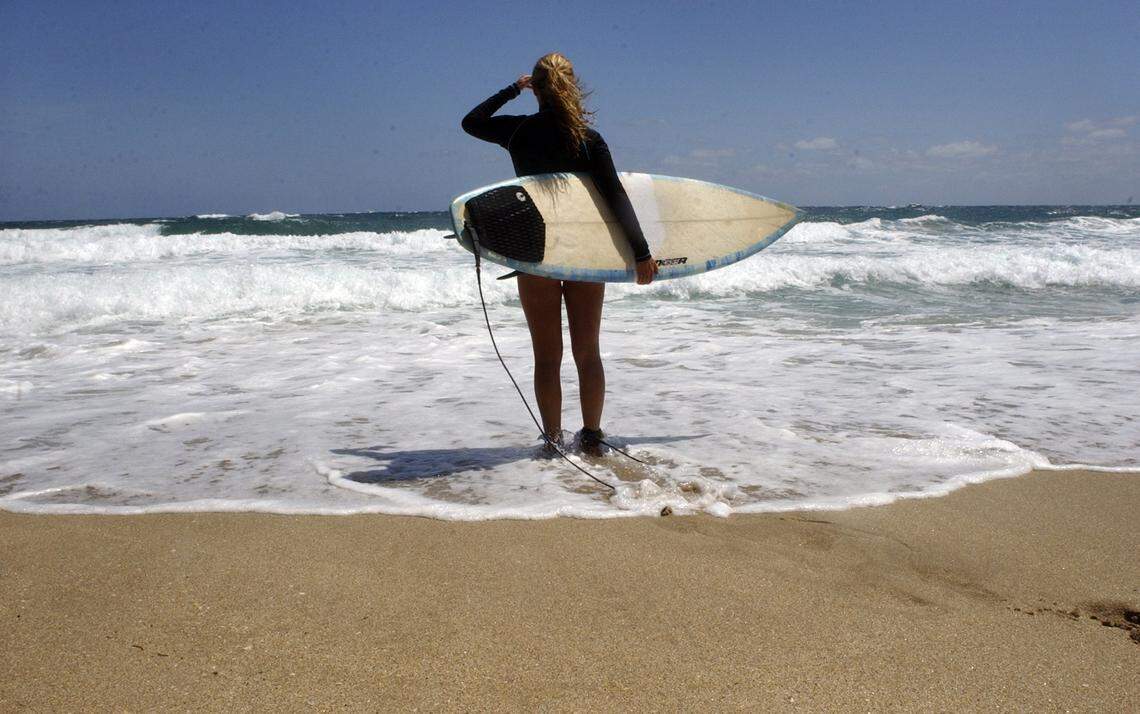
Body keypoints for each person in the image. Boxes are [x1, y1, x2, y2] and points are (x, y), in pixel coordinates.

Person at [461, 52, 657, 456]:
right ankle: (592, 436)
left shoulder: (518, 133)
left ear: (536, 86)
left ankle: (552, 440)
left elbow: (472, 122)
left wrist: (511, 91)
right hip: (584, 253)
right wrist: (641, 254)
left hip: (535, 252)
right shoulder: (588, 139)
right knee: (588, 352)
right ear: (572, 85)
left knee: (546, 356)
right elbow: (615, 197)